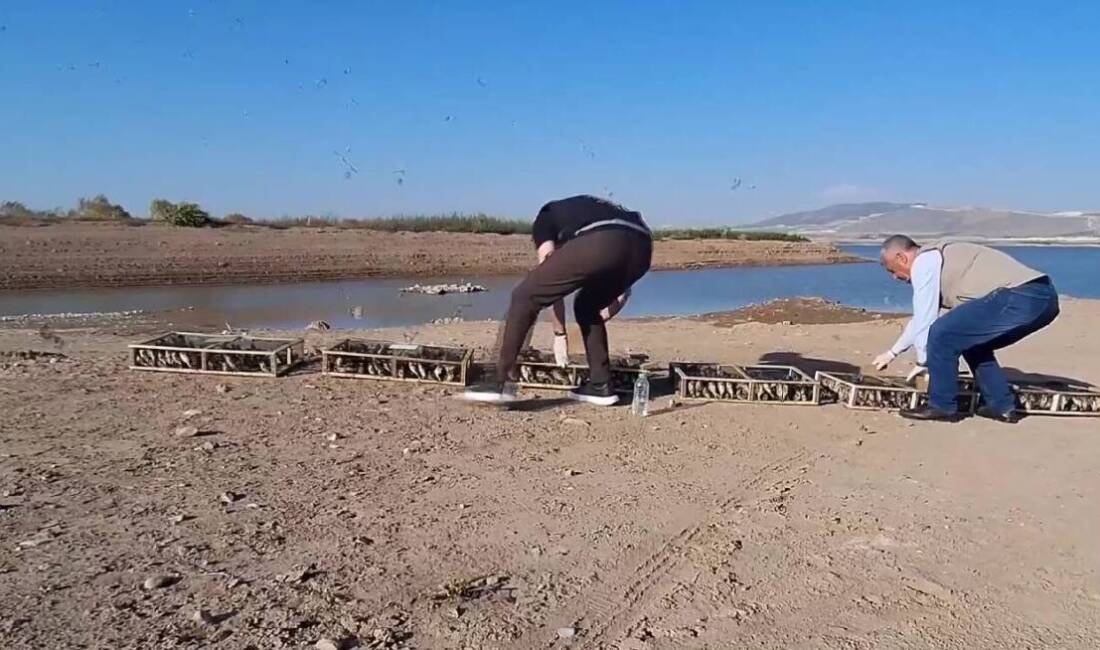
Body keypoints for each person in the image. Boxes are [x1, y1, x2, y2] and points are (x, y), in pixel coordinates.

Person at [463, 195, 653, 406]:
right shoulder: (585, 211)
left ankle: (497, 381)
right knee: (587, 306)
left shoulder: (544, 219)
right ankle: (601, 385)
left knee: (524, 295)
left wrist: (559, 333)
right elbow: (622, 293)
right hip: (643, 247)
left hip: (604, 240)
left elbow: (547, 284)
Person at [874, 235, 1059, 422]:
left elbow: (925, 320)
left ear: (901, 258)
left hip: (1021, 295)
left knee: (942, 333)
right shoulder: (934, 262)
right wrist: (892, 353)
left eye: (892, 270)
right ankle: (1001, 406)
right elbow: (919, 318)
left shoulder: (924, 261)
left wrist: (924, 362)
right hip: (1044, 299)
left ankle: (941, 405)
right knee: (970, 341)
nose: (895, 277)